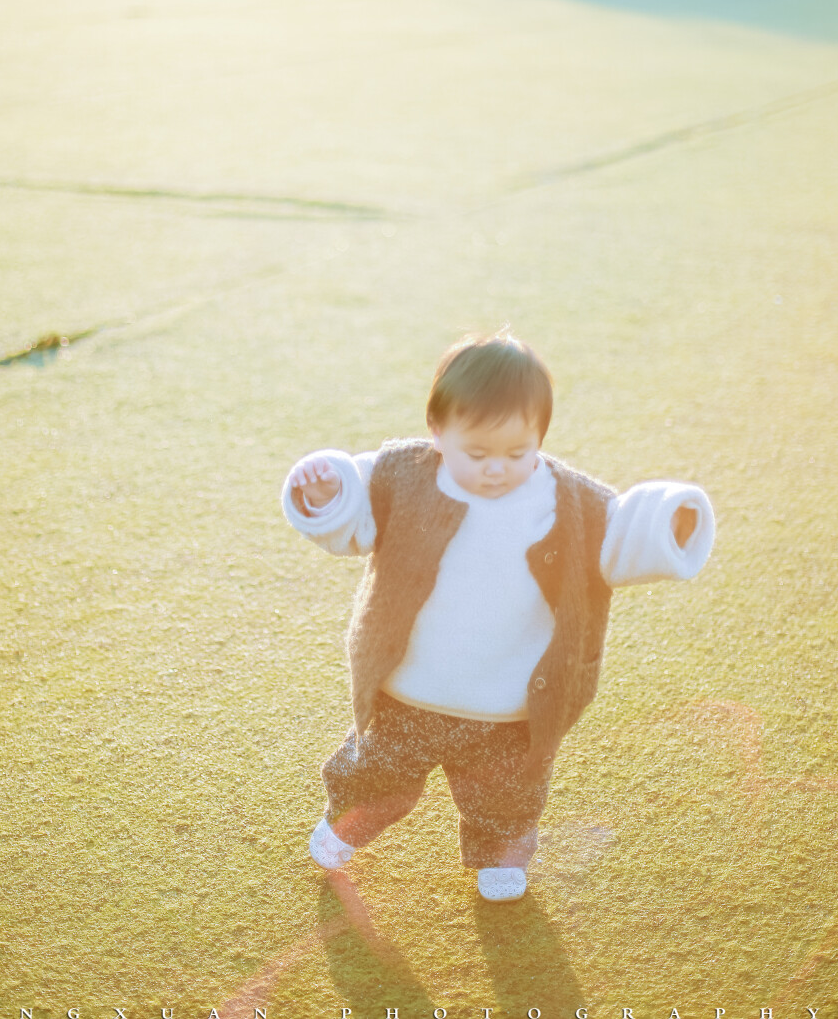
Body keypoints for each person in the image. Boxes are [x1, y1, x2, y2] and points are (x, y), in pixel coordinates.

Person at [280, 331, 715, 902]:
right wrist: (326, 494)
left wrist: (666, 523)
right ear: (438, 432)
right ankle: (347, 822)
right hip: (407, 688)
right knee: (380, 777)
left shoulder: (568, 501)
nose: (495, 470)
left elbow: (624, 531)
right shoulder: (401, 475)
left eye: (517, 453)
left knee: (508, 794)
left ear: (539, 438)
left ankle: (502, 856)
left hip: (509, 701)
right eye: (477, 454)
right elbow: (351, 517)